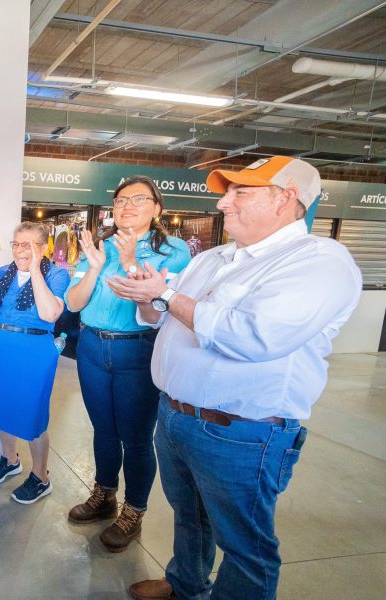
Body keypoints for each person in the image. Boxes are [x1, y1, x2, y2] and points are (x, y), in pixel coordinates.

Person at [106, 157, 362, 600]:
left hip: (242, 434)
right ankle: (186, 583)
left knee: (245, 546)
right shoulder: (215, 258)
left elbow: (254, 337)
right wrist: (151, 299)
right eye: (227, 193)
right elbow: (163, 317)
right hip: (175, 417)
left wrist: (164, 294)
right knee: (189, 517)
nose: (223, 203)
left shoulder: (320, 261)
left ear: (286, 198)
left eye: (241, 192)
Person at [65, 176, 191, 552]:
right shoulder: (97, 246)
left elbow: (156, 315)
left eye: (138, 199)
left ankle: (133, 511)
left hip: (138, 350)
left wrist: (131, 263)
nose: (127, 206)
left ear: (157, 208)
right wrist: (94, 268)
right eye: (121, 200)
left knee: (135, 438)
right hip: (91, 347)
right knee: (103, 430)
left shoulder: (174, 251)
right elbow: (73, 303)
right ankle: (104, 494)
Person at [0, 221, 69, 504]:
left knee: (32, 414)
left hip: (32, 352)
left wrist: (35, 270)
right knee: (0, 404)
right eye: (16, 244)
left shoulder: (56, 274)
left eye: (26, 245)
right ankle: (10, 459)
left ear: (42, 247)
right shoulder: (3, 272)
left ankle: (41, 478)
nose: (19, 250)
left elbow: (50, 314)